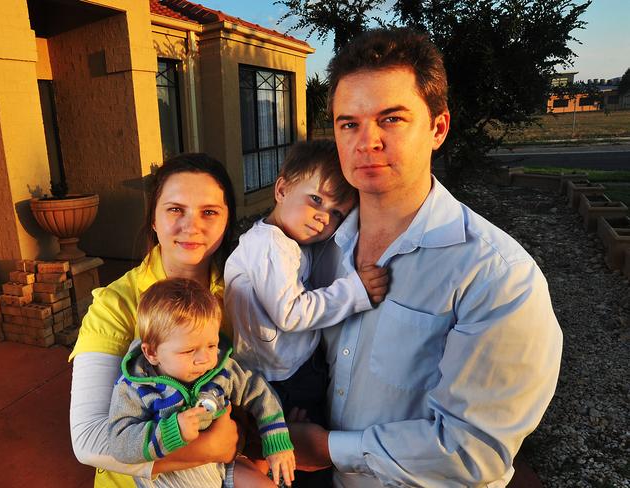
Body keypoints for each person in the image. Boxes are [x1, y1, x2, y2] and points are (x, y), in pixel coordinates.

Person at [290, 28, 563, 487]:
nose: (366, 141)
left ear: (438, 128)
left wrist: (326, 449)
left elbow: (472, 450)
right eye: (348, 123)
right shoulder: (320, 248)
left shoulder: (496, 276)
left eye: (391, 119)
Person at [70, 153, 240, 488]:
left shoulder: (238, 294)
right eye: (175, 209)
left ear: (227, 221)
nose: (191, 226)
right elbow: (88, 441)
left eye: (209, 212)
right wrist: (208, 450)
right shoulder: (116, 305)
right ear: (153, 219)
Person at [224, 140, 388, 425]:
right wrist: (355, 290)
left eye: (337, 213)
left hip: (292, 367)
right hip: (277, 380)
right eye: (316, 199)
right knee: (290, 454)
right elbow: (290, 313)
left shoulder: (292, 242)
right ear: (282, 190)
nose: (323, 217)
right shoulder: (267, 246)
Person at [108, 278, 295, 488]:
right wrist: (172, 431)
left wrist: (277, 443)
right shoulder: (136, 387)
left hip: (222, 468)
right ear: (151, 352)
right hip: (169, 478)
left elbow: (259, 393)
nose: (204, 359)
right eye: (188, 351)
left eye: (211, 345)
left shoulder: (221, 371)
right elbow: (119, 443)